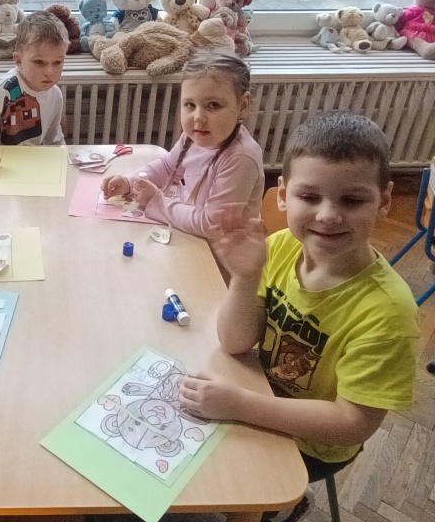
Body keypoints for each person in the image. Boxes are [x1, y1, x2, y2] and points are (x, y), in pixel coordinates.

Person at [179, 112, 419, 521]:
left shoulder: (388, 313)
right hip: (255, 394)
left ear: (385, 200)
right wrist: (245, 277)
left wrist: (241, 404)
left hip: (312, 444)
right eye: (309, 197)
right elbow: (235, 342)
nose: (328, 215)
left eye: (352, 200)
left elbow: (352, 423)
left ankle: (279, 504)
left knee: (210, 482)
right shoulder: (280, 246)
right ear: (282, 196)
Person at [102, 52, 264, 238]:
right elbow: (167, 166)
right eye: (190, 105)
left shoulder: (241, 158)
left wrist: (156, 202)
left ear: (243, 106)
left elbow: (212, 225)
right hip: (192, 237)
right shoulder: (194, 137)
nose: (198, 117)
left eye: (213, 105)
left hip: (224, 253)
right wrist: (131, 183)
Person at [0, 10, 69, 175]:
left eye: (58, 62)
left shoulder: (55, 94)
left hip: (30, 168)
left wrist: (65, 162)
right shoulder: (4, 90)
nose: (50, 72)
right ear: (18, 60)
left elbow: (54, 139)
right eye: (39, 62)